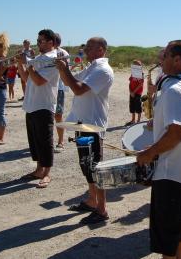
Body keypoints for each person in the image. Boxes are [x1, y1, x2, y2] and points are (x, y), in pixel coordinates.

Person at [137, 40, 181, 259]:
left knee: (167, 235)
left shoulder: (176, 89)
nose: (161, 59)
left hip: (172, 172)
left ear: (177, 60)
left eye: (165, 55)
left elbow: (177, 132)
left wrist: (150, 153)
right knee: (177, 230)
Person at [57, 37, 114, 224]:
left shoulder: (102, 69)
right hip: (82, 124)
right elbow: (69, 83)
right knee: (86, 165)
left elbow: (79, 89)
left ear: (100, 49)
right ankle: (92, 200)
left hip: (92, 126)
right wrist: (61, 69)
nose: (85, 49)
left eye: (90, 47)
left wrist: (64, 68)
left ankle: (102, 209)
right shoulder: (92, 67)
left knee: (95, 166)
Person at [17, 29, 59, 189]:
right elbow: (28, 79)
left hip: (44, 105)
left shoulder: (54, 59)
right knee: (35, 140)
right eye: (38, 40)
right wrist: (21, 65)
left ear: (51, 43)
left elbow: (41, 80)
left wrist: (28, 64)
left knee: (45, 141)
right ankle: (39, 169)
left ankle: (47, 173)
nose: (38, 43)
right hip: (32, 104)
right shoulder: (39, 58)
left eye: (41, 41)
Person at [54, 33, 70, 153]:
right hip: (46, 87)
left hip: (58, 88)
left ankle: (61, 141)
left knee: (58, 115)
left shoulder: (63, 53)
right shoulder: (43, 53)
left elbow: (67, 69)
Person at [126, 60, 144, 126]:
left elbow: (140, 84)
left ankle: (138, 121)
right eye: (135, 65)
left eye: (139, 65)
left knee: (138, 106)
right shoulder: (133, 73)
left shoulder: (141, 74)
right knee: (132, 106)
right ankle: (133, 120)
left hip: (138, 93)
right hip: (132, 92)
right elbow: (130, 83)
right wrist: (130, 91)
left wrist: (134, 92)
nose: (137, 66)